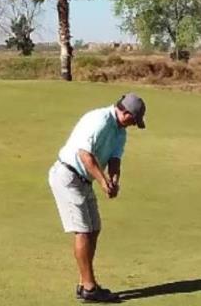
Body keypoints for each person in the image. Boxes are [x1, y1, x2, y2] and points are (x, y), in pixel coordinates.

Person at [48, 93, 147, 303]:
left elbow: (115, 158)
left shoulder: (120, 131)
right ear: (126, 112)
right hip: (68, 175)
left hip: (84, 180)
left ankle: (84, 283)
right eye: (133, 120)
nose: (133, 125)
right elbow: (85, 155)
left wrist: (114, 179)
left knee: (94, 228)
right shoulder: (100, 120)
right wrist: (103, 182)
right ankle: (90, 288)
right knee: (83, 230)